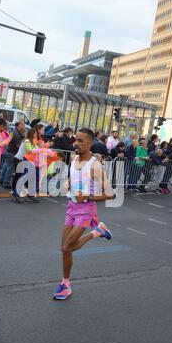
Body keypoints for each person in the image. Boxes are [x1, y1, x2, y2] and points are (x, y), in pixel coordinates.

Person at [53, 128, 115, 300]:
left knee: (67, 247)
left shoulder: (95, 166)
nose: (76, 143)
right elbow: (76, 180)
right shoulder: (74, 159)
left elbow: (110, 194)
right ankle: (98, 232)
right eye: (75, 140)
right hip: (71, 207)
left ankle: (65, 284)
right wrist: (68, 184)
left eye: (80, 141)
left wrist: (87, 196)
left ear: (90, 143)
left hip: (86, 210)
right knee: (64, 249)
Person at [12, 128, 40, 204]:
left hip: (26, 161)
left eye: (36, 133)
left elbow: (36, 150)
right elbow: (29, 151)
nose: (36, 134)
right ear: (31, 133)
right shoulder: (27, 141)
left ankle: (30, 194)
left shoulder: (32, 142)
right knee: (20, 178)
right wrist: (39, 150)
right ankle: (15, 194)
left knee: (28, 178)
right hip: (19, 160)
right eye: (35, 133)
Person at [0, 121, 26, 189]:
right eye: (22, 124)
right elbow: (18, 145)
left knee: (6, 166)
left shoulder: (16, 131)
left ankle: (1, 179)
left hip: (9, 151)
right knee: (10, 168)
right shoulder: (16, 133)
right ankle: (6, 182)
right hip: (12, 152)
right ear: (18, 125)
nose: (24, 126)